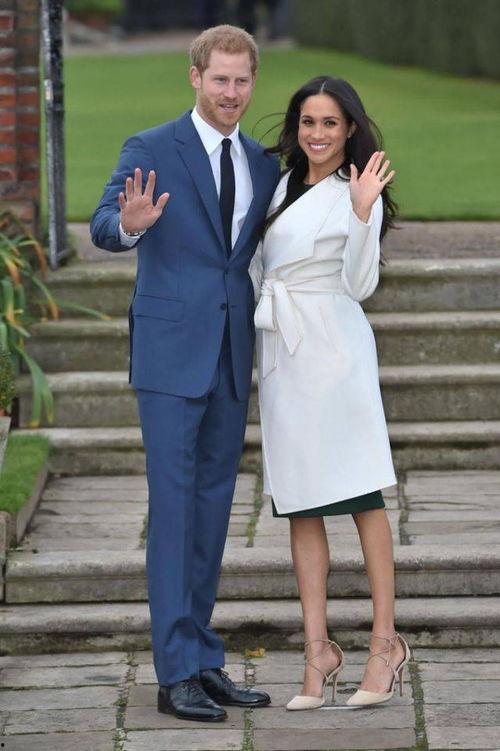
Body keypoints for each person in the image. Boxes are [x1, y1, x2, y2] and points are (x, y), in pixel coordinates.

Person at [91, 25, 280, 722]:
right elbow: (103, 224)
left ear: (252, 83)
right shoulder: (151, 148)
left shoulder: (261, 162)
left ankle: (201, 657)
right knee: (174, 510)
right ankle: (174, 674)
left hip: (230, 352)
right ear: (195, 76)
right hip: (171, 355)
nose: (231, 92)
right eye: (219, 78)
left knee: (211, 510)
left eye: (242, 80)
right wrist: (131, 225)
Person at [250, 76, 411, 710]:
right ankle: (317, 653)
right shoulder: (281, 184)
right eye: (308, 121)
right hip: (282, 352)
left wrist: (364, 213)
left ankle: (384, 643)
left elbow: (360, 284)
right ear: (297, 126)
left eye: (330, 123)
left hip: (334, 349)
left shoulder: (355, 188)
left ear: (350, 130)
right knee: (301, 503)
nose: (318, 133)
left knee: (362, 495)